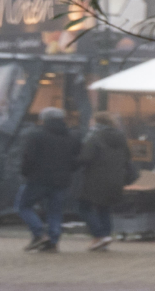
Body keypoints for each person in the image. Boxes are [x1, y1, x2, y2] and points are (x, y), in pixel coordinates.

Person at [13, 106, 77, 252]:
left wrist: (25, 173)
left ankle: (39, 234)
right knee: (55, 211)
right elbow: (75, 159)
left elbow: (28, 157)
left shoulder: (36, 134)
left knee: (23, 206)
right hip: (62, 180)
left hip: (38, 179)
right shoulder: (70, 136)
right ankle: (52, 242)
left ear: (44, 120)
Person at [75, 110, 134, 250]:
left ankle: (99, 235)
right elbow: (128, 156)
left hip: (95, 178)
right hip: (116, 178)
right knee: (104, 208)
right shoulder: (121, 137)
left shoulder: (94, 136)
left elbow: (86, 157)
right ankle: (105, 238)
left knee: (84, 207)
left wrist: (75, 159)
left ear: (96, 121)